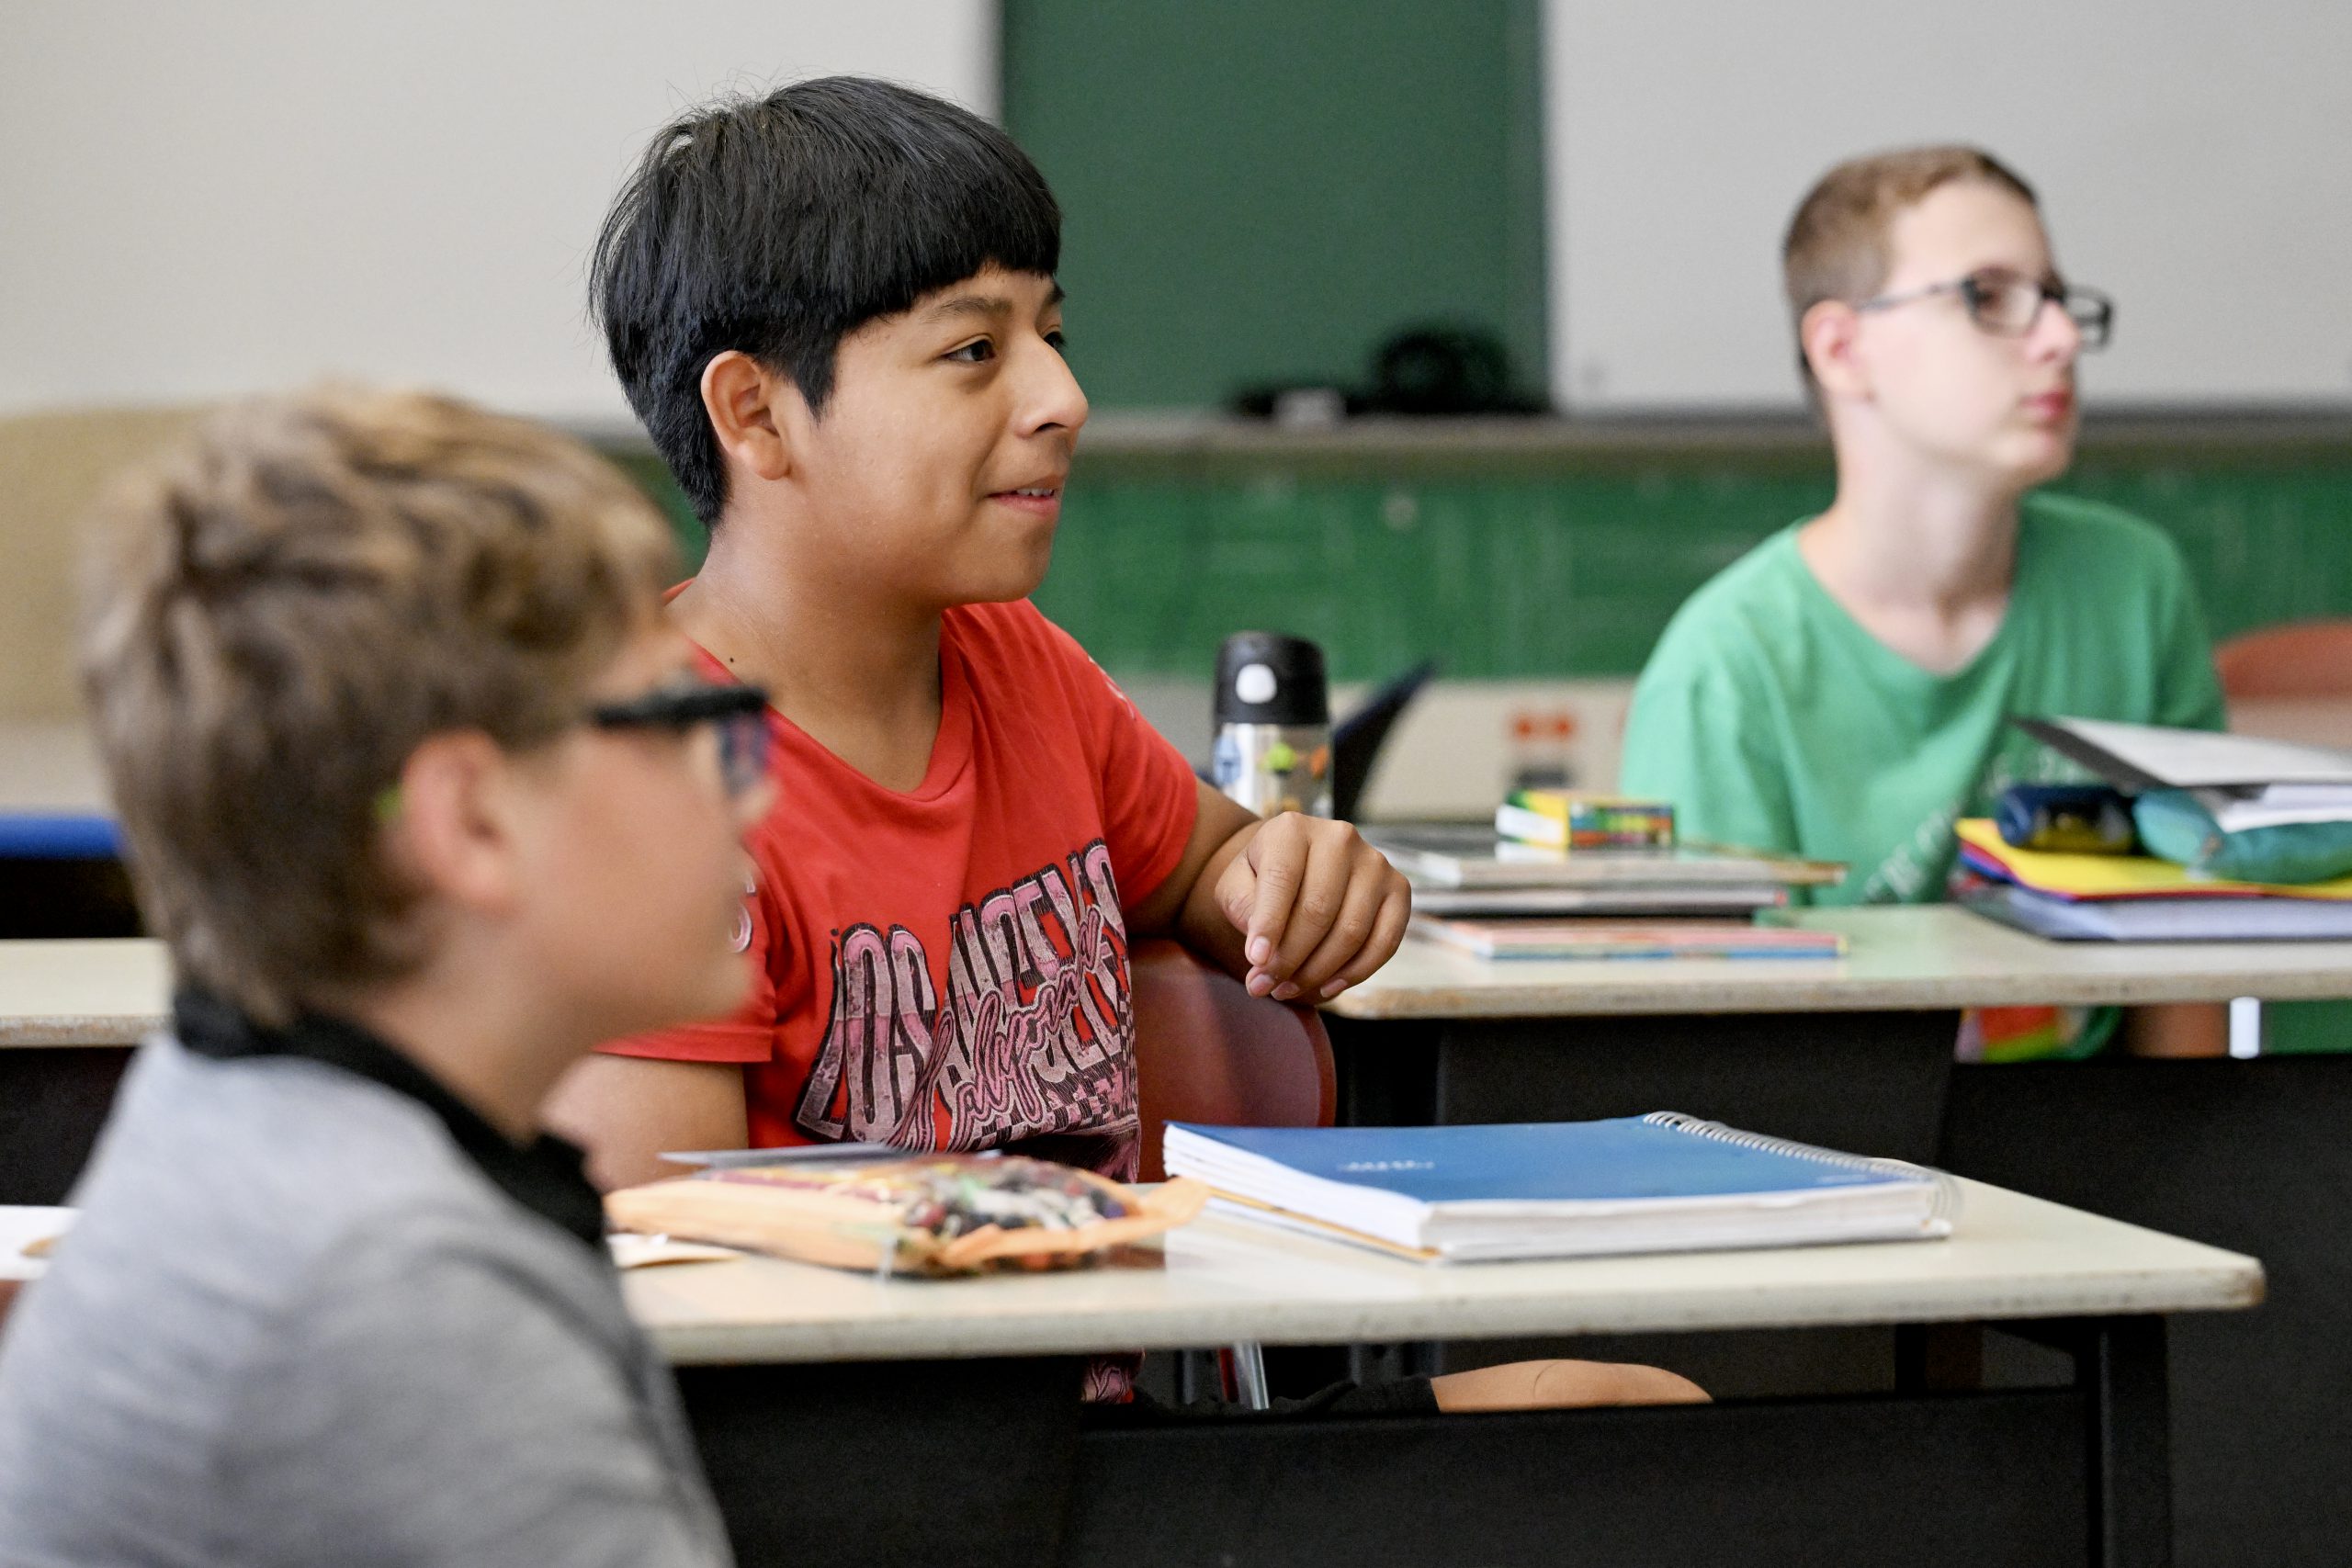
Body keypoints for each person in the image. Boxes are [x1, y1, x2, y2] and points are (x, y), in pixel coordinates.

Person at [552, 76, 1702, 1413]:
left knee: (1622, 1407)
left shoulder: (1022, 667)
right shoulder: (640, 783)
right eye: (975, 350)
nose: (1063, 395)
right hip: (864, 1485)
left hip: (1124, 1455)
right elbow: (678, 1294)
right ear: (755, 415)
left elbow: (1209, 864)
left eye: (1052, 332)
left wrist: (1285, 873)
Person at [0, 387, 757, 1565]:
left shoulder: (238, 1117)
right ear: (470, 820)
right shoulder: (396, 1298)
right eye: (682, 714)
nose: (748, 784)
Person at [1619, 145, 2228, 1059]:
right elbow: (1715, 1055)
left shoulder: (2132, 584)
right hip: (1842, 1166)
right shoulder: (1725, 671)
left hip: (2107, 1150)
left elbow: (2192, 962)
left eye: (2056, 296)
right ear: (1842, 349)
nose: (2057, 336)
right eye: (1988, 296)